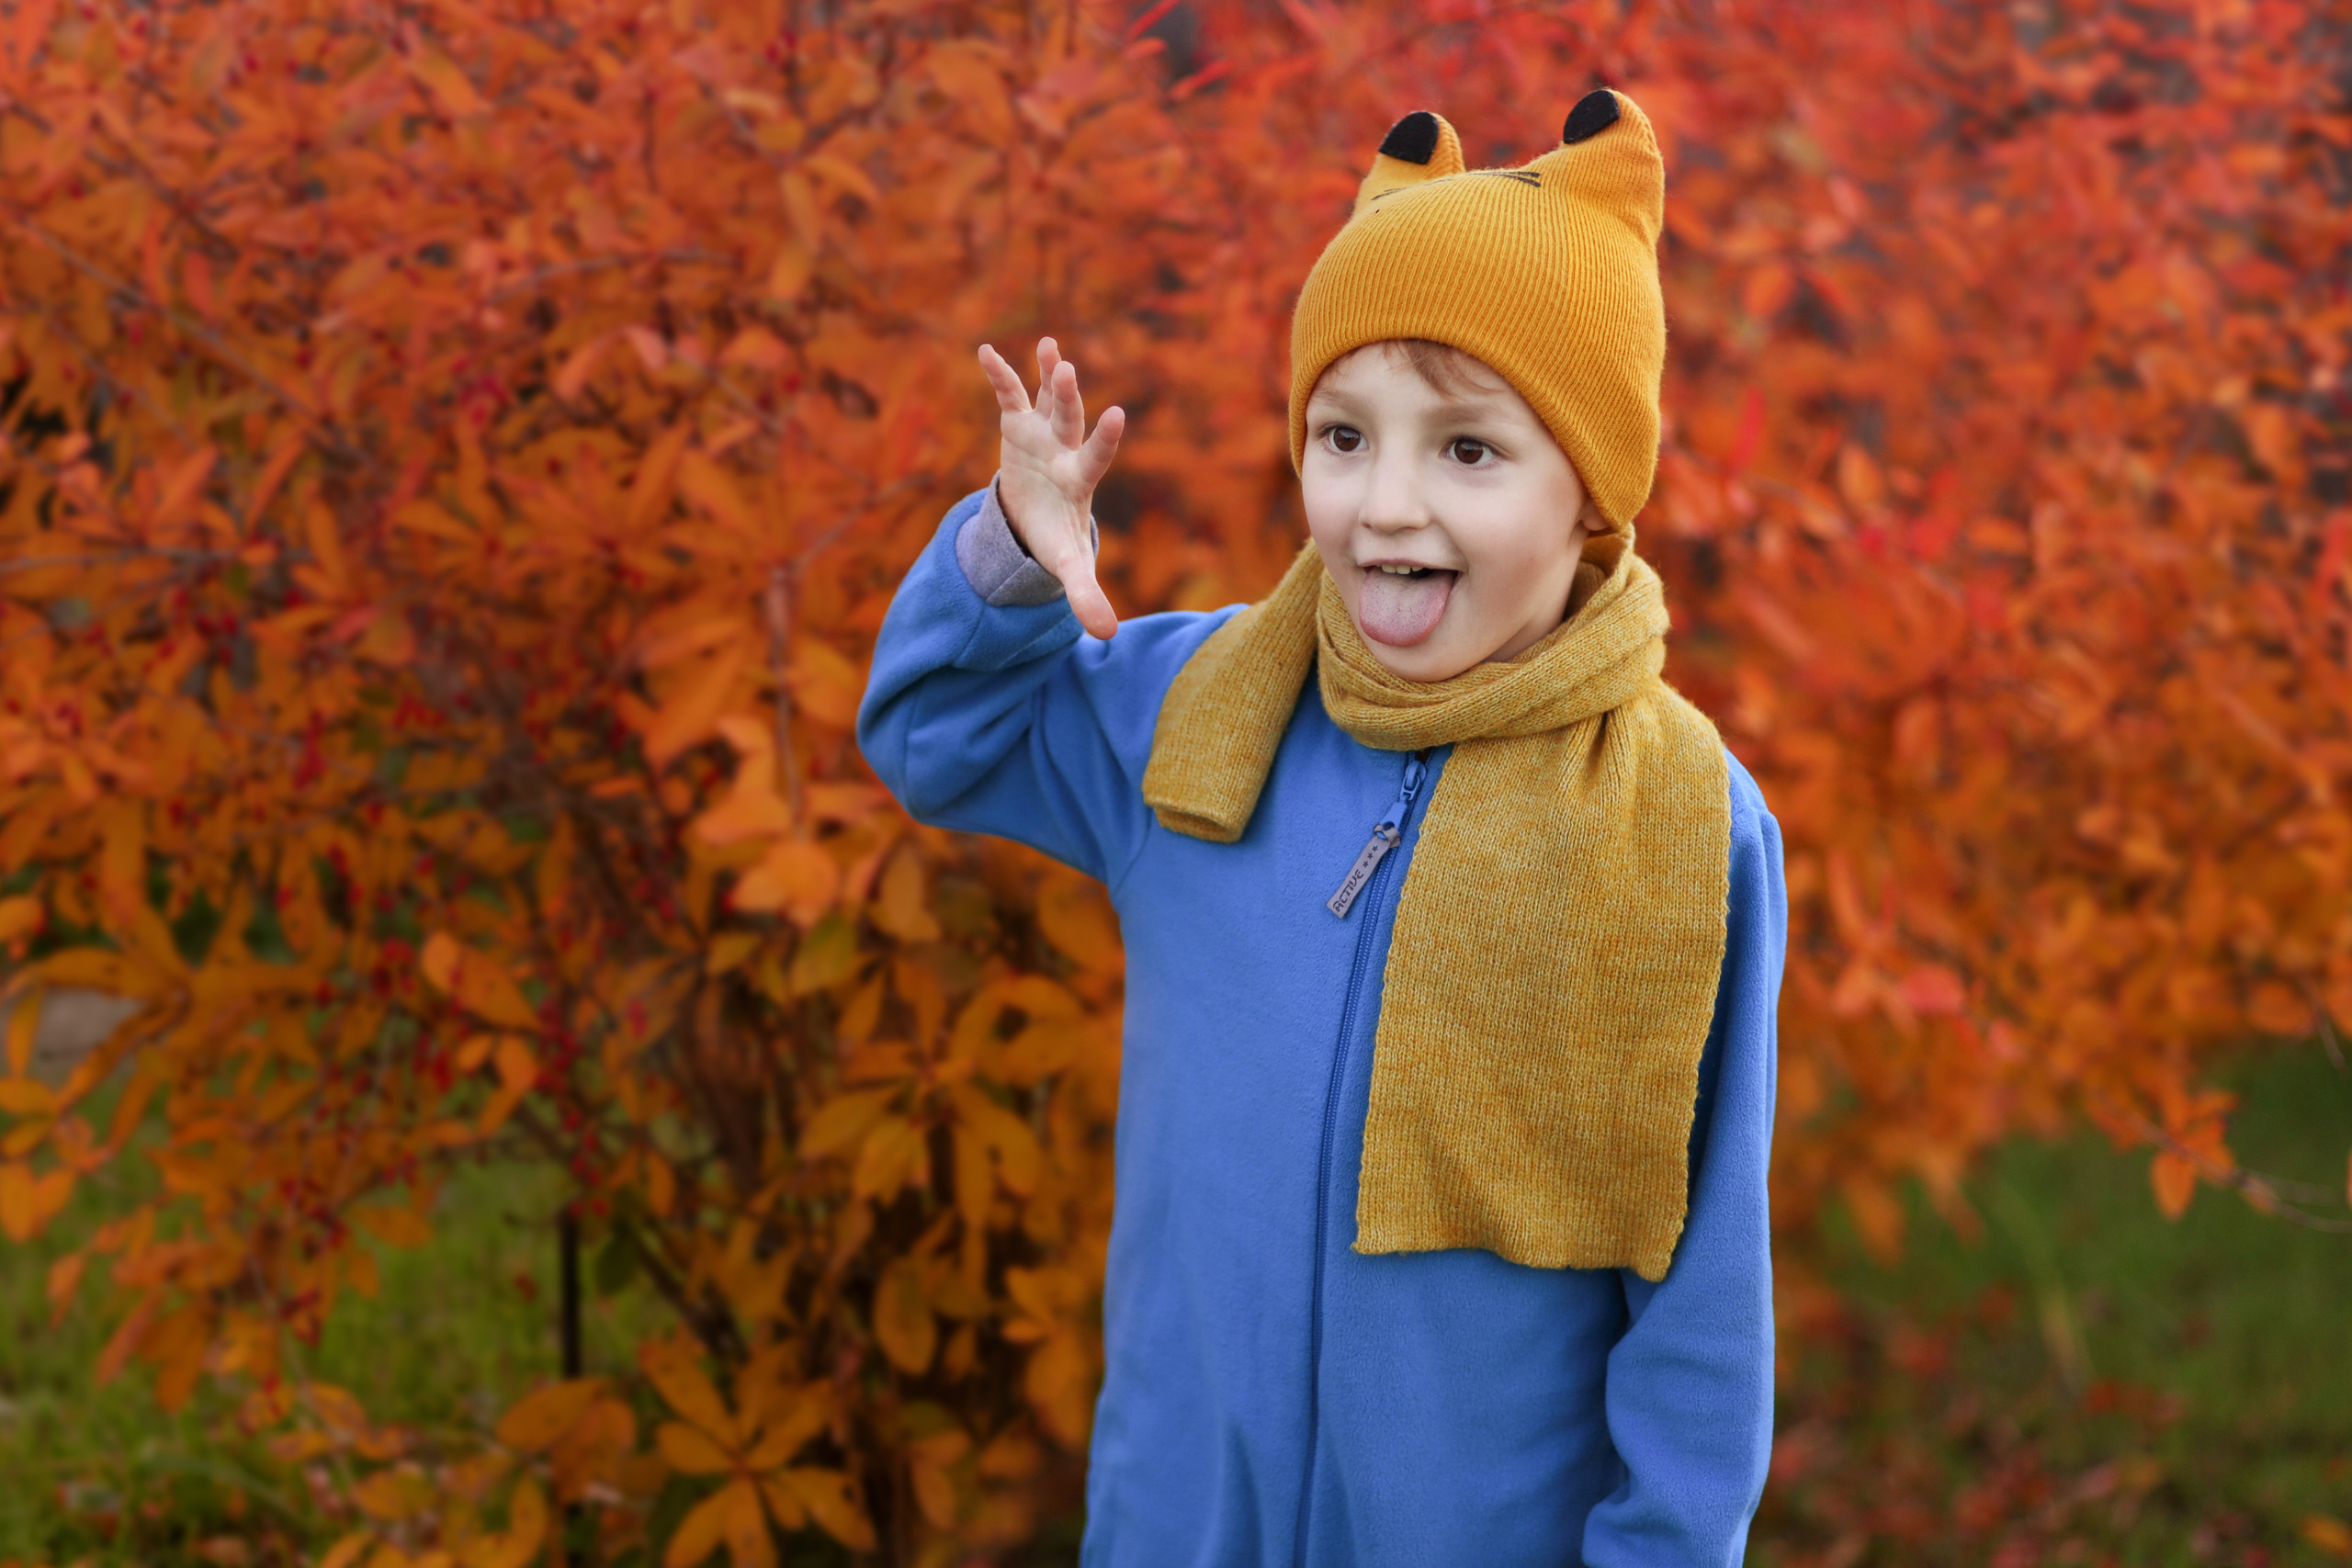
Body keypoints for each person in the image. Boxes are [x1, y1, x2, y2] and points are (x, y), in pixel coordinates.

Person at [859, 89, 1785, 1568]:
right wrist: (1012, 563)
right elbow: (932, 735)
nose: (1383, 505)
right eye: (1343, 436)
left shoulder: (1683, 823)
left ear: (1592, 492)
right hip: (1175, 1527)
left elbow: (1700, 1301)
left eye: (1468, 451)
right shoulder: (1202, 713)